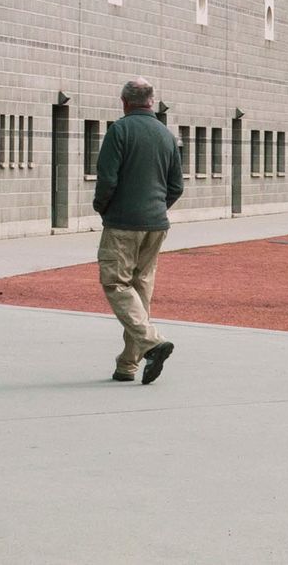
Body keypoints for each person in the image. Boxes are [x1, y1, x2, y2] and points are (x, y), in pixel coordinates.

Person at [92, 77, 184, 384]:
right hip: (156, 224)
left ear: (124, 102)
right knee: (141, 288)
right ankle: (128, 365)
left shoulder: (119, 130)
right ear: (152, 101)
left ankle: (152, 342)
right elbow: (176, 186)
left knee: (116, 283)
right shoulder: (166, 135)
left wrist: (102, 207)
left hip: (122, 223)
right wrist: (158, 207)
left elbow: (107, 180)